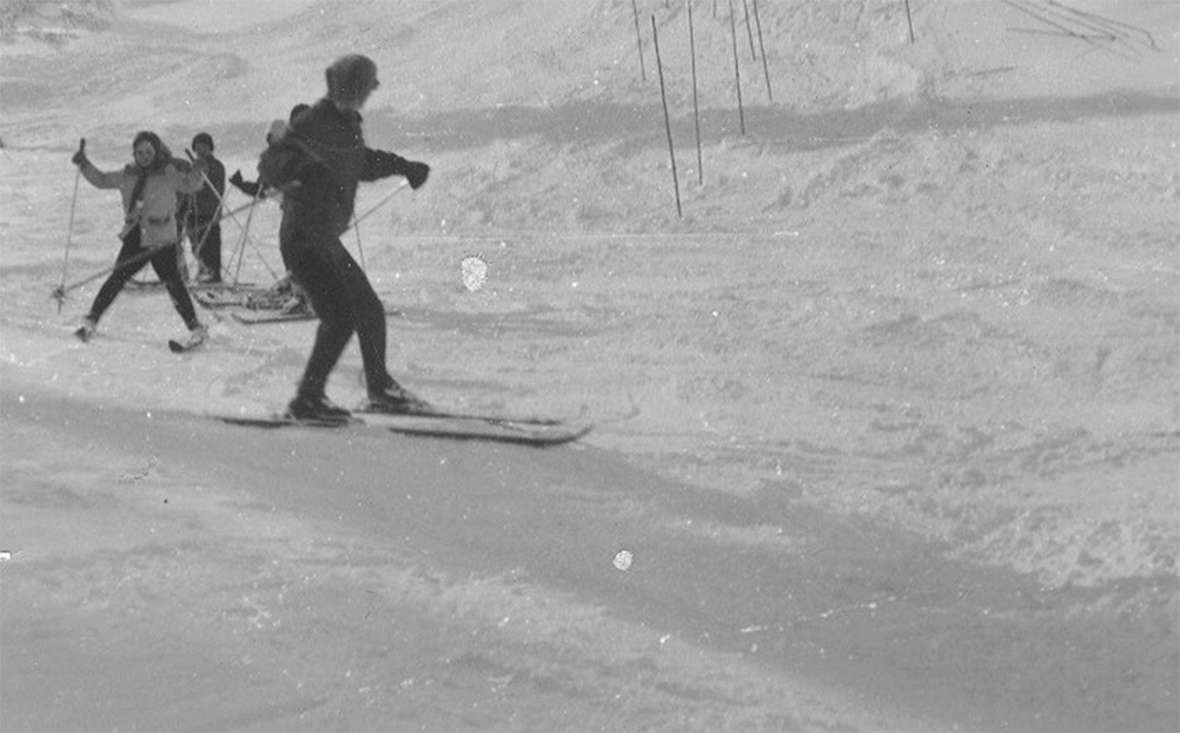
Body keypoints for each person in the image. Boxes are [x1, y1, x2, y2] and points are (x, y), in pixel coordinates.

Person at [257, 55, 429, 421]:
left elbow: (360, 162)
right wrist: (300, 168)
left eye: (364, 90)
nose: (361, 96)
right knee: (340, 316)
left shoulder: (346, 124)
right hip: (303, 236)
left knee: (367, 309)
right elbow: (270, 164)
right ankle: (307, 400)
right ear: (341, 87)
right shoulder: (312, 121)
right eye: (357, 89)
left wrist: (403, 166)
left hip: (323, 238)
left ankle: (379, 389)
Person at [71, 132, 209, 345]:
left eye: (149, 152)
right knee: (117, 278)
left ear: (156, 152)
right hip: (137, 236)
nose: (144, 156)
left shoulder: (167, 173)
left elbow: (189, 185)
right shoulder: (128, 174)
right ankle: (91, 319)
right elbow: (102, 180)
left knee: (174, 284)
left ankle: (195, 327)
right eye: (140, 152)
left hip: (163, 239)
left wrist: (199, 171)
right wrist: (84, 165)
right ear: (134, 153)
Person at [181, 131, 226, 283]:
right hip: (192, 211)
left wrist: (203, 171)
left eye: (204, 147)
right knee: (196, 244)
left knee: (210, 244)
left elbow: (216, 187)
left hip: (209, 211)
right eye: (198, 147)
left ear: (210, 148)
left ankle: (213, 273)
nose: (200, 150)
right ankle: (204, 270)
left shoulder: (216, 166)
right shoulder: (192, 166)